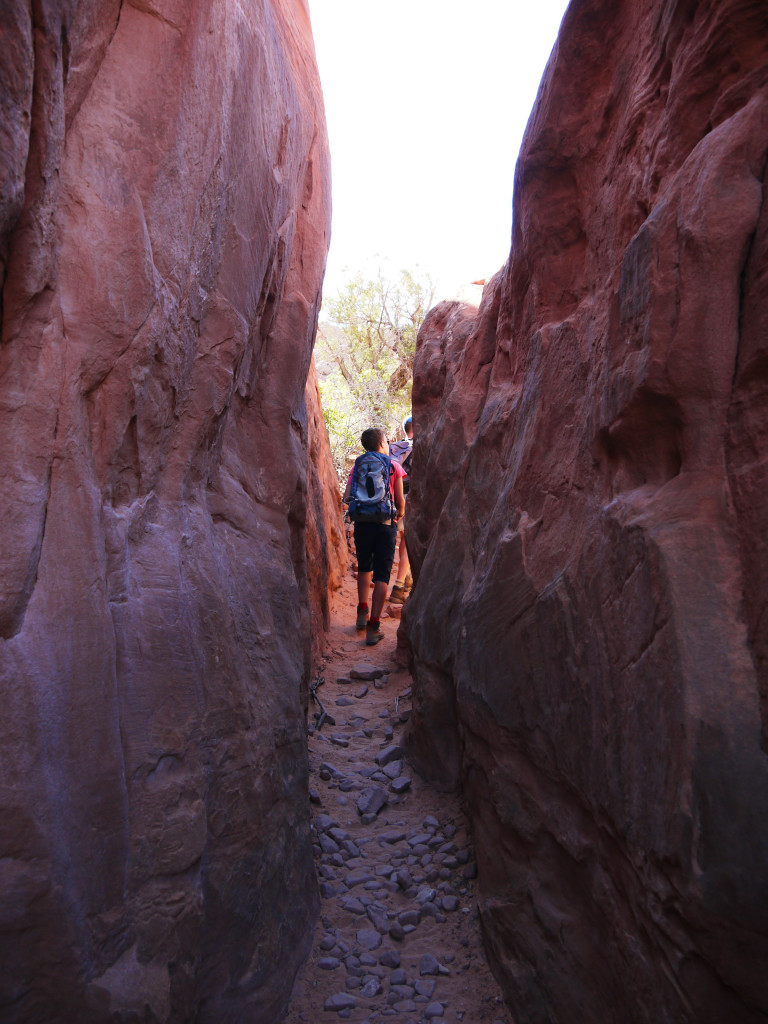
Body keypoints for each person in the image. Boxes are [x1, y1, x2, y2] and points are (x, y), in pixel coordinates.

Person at [343, 427, 406, 645]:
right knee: (382, 576)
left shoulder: (358, 466)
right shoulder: (393, 466)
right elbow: (400, 502)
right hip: (385, 525)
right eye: (387, 441)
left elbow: (347, 496)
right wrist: (400, 516)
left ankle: (362, 614)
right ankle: (374, 626)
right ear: (381, 444)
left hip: (362, 524)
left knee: (364, 567)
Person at [388, 415, 413, 603]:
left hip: (392, 498)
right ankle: (398, 586)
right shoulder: (421, 445)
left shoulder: (394, 447)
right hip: (411, 498)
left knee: (402, 539)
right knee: (407, 541)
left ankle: (407, 578)